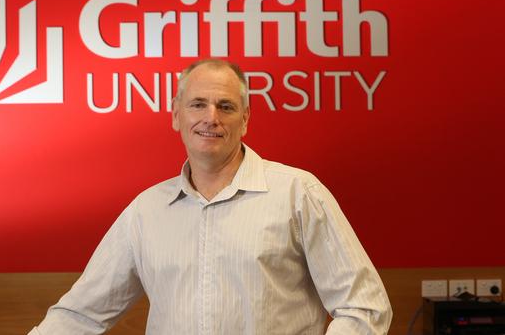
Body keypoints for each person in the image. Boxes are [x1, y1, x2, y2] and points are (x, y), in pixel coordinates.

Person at [29, 59, 392, 335]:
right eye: (198, 104)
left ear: (246, 119)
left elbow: (364, 308)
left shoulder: (298, 193)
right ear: (176, 116)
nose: (211, 117)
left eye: (226, 107)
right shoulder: (146, 211)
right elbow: (80, 314)